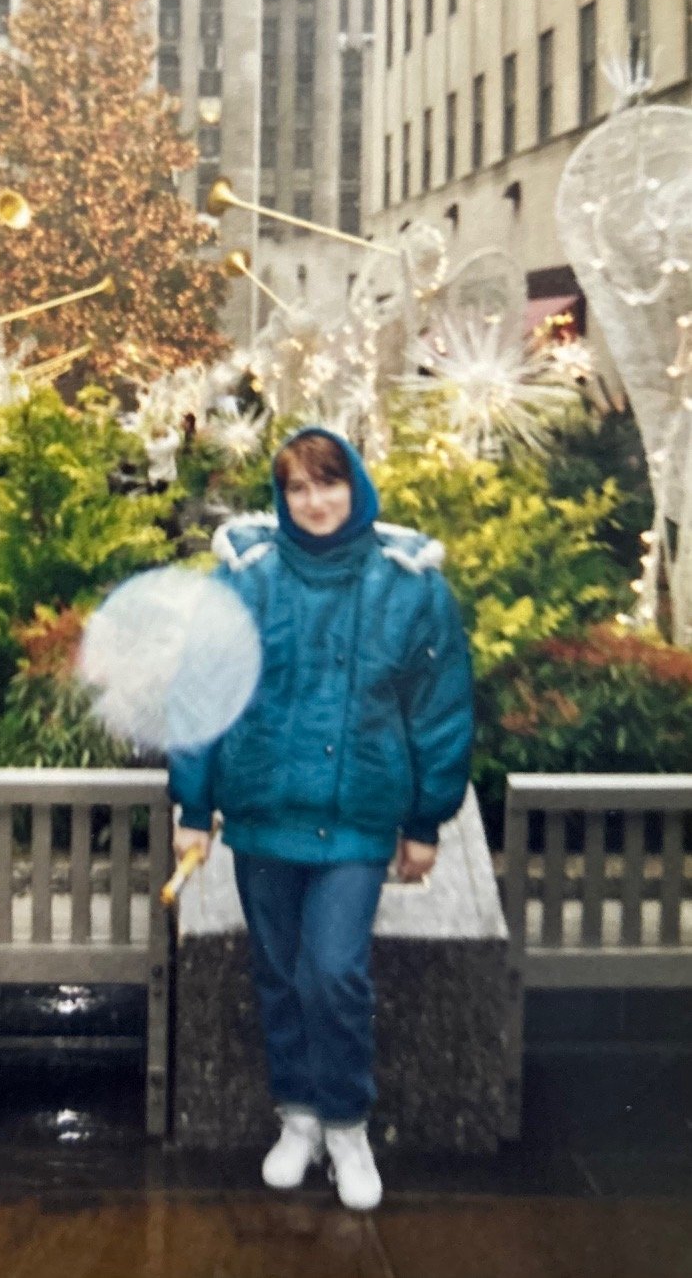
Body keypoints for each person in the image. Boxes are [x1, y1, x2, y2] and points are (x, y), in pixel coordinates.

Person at [168, 425, 473, 1210]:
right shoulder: (247, 580)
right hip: (265, 811)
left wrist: (425, 820)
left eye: (328, 483)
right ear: (282, 496)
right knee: (276, 973)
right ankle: (296, 1115)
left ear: (356, 484)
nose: (315, 501)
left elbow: (439, 711)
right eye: (298, 487)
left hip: (358, 816)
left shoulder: (411, 587)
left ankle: (346, 1123)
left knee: (332, 971)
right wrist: (194, 806)